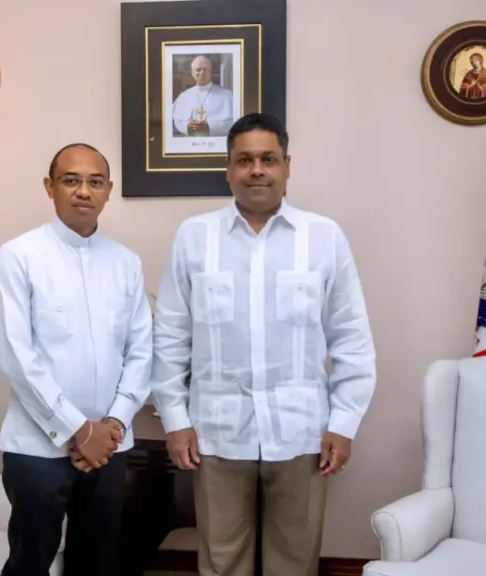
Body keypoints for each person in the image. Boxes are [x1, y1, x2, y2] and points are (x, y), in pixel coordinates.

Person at [149, 112, 377, 576]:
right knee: (221, 560)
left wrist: (344, 422)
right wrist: (174, 419)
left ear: (287, 166)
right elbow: (171, 335)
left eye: (268, 159)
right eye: (245, 159)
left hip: (302, 433)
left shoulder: (323, 237)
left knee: (294, 563)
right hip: (216, 432)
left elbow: (351, 335)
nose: (257, 169)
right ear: (228, 170)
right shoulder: (195, 237)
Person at [0, 143, 153, 576]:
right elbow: (17, 357)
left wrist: (113, 425)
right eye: (71, 180)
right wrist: (79, 430)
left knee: (95, 562)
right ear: (50, 187)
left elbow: (141, 351)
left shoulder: (126, 263)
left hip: (110, 448)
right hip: (37, 447)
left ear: (108, 191)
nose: (84, 191)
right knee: (30, 561)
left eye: (95, 182)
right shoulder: (19, 255)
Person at [171, 55, 235, 137]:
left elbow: (232, 122)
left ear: (210, 72)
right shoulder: (184, 96)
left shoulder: (227, 95)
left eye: (205, 69)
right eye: (198, 69)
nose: (202, 72)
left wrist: (210, 126)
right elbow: (177, 121)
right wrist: (187, 126)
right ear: (192, 73)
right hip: (190, 144)